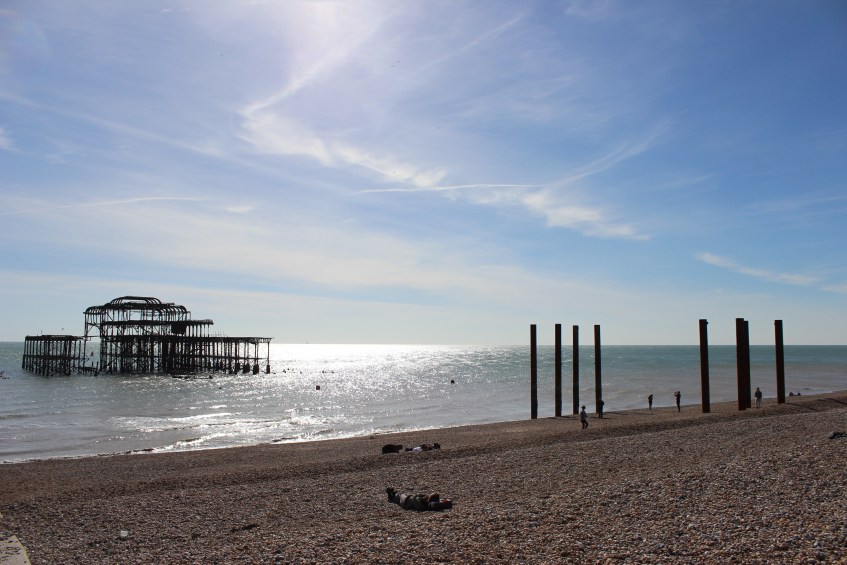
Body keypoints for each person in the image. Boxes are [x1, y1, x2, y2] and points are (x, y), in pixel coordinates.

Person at [386, 488, 452, 511]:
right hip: (407, 502)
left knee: (400, 495)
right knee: (397, 500)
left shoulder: (423, 502)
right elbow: (447, 501)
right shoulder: (428, 504)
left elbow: (415, 498)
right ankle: (392, 495)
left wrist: (421, 496)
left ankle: (393, 494)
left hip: (406, 502)